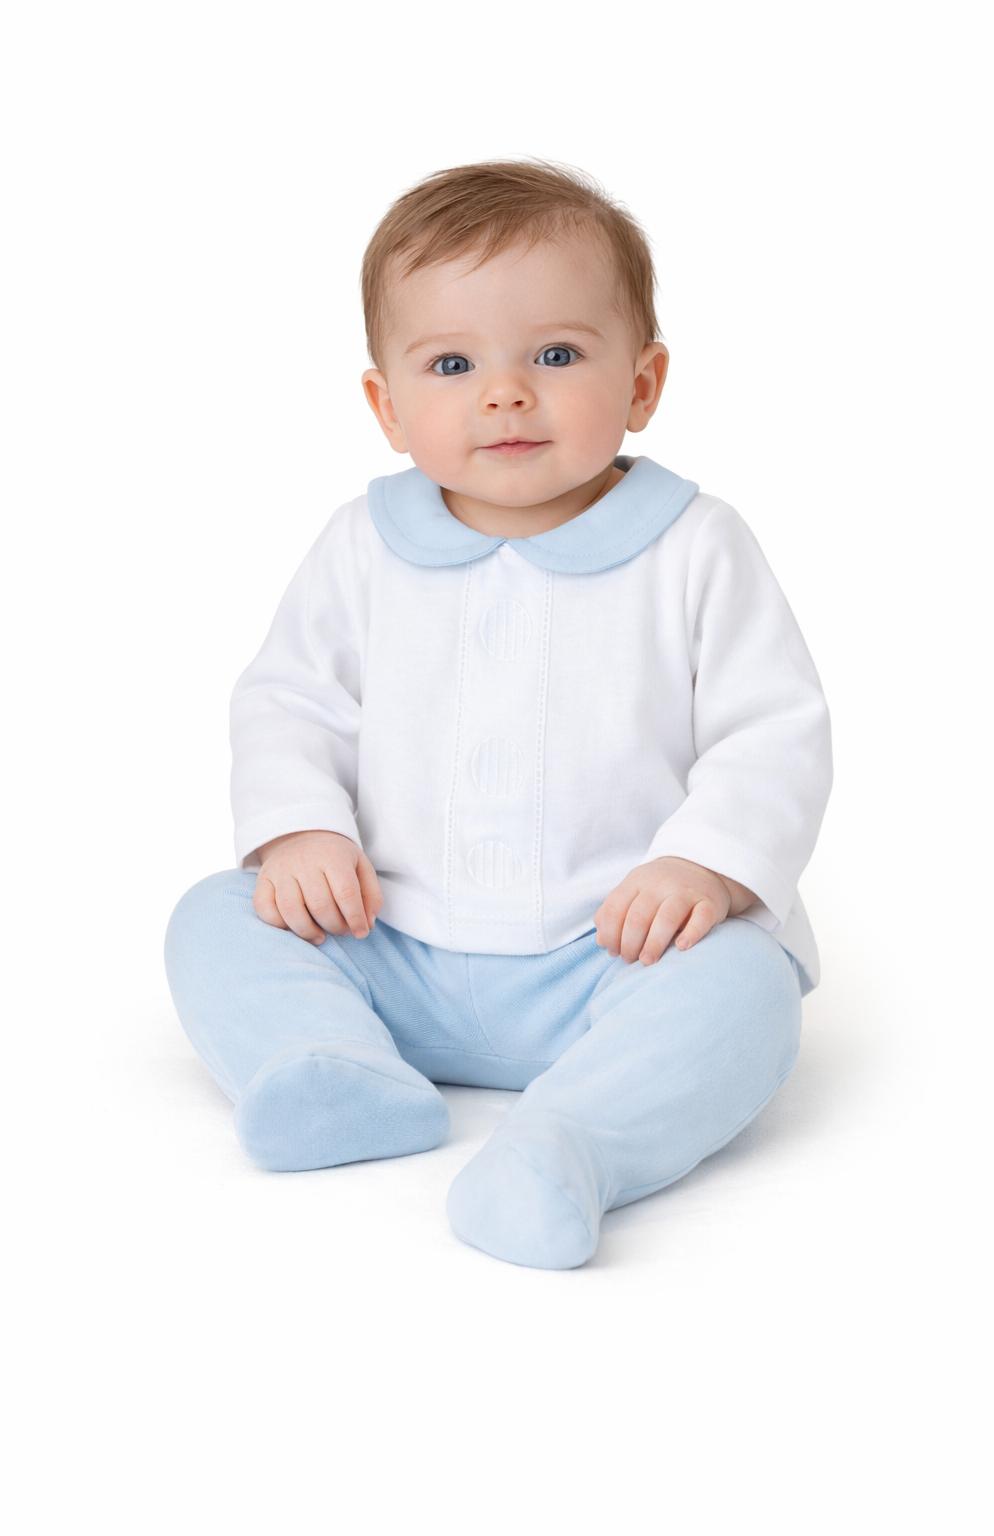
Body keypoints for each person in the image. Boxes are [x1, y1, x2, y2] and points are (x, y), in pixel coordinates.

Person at [163, 157, 833, 1269]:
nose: (505, 393)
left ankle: (569, 1145)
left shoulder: (694, 546)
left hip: (613, 955)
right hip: (391, 945)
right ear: (387, 406)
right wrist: (299, 831)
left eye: (557, 355)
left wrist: (706, 866)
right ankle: (331, 1066)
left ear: (644, 383)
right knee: (213, 916)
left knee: (748, 991)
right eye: (452, 363)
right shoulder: (362, 546)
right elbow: (289, 701)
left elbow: (773, 729)